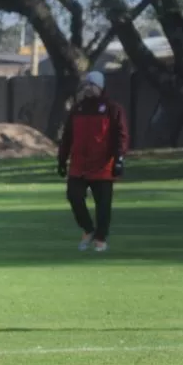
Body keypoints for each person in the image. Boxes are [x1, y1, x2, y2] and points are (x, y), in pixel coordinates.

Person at [58, 71, 129, 253]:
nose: (89, 88)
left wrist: (119, 159)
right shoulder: (77, 109)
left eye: (92, 85)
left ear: (101, 87)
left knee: (103, 204)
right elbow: (67, 136)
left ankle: (100, 239)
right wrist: (61, 159)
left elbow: (121, 136)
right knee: (74, 196)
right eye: (86, 85)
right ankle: (88, 229)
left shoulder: (113, 109)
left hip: (103, 165)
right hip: (79, 164)